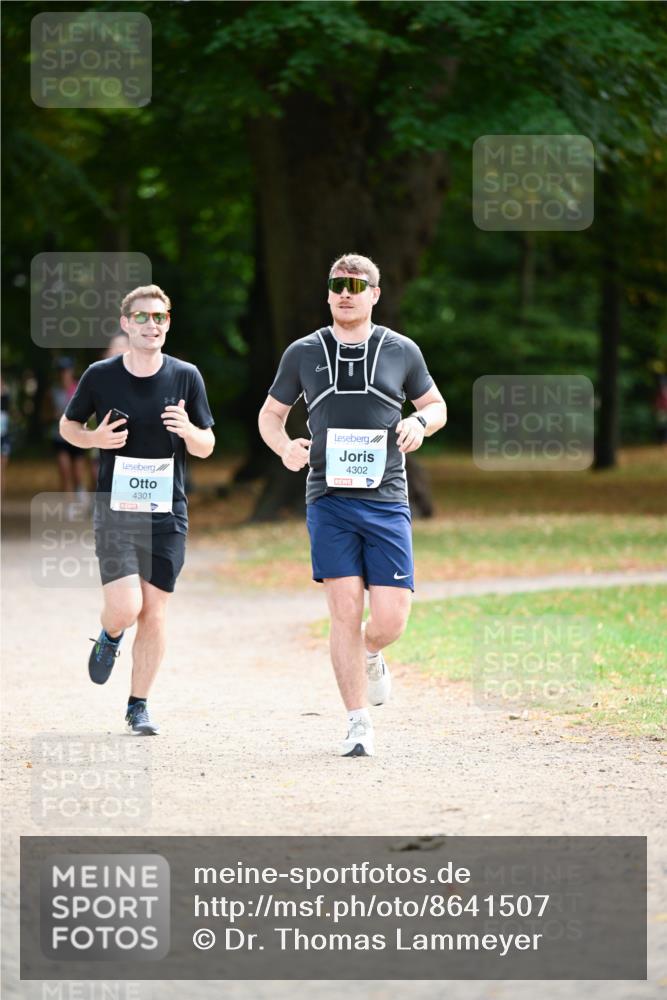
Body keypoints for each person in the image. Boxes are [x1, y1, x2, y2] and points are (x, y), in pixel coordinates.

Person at [258, 253, 447, 757]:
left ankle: (370, 651)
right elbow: (270, 416)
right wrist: (285, 447)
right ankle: (358, 722)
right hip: (328, 498)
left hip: (386, 498)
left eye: (356, 285)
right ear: (327, 293)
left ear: (374, 295)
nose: (346, 292)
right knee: (344, 610)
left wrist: (419, 423)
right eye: (337, 284)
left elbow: (436, 405)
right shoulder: (303, 351)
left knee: (389, 621)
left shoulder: (400, 349)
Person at [59, 284, 215, 735]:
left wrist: (189, 430)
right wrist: (94, 439)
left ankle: (138, 705)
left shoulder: (186, 376)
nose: (152, 325)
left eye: (160, 317)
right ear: (126, 324)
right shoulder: (100, 375)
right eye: (143, 317)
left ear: (168, 323)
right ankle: (110, 635)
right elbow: (68, 426)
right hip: (116, 509)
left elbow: (206, 446)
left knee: (154, 611)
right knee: (126, 608)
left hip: (167, 512)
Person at [48, 357, 88, 513]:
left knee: (77, 473)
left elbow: (88, 411)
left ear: (71, 371)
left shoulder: (79, 388)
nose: (63, 374)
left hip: (77, 435)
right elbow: (45, 414)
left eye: (66, 370)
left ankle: (80, 490)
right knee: (64, 471)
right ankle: (69, 505)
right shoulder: (53, 392)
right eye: (61, 371)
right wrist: (53, 415)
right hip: (59, 437)